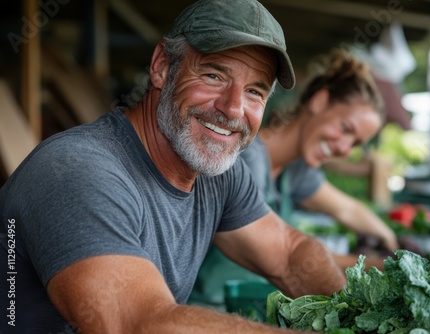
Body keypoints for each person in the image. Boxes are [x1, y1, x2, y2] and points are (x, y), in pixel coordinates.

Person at [0, 1, 347, 333]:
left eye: (255, 91)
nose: (233, 108)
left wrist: (354, 313)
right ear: (162, 66)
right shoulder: (77, 171)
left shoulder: (218, 173)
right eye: (213, 75)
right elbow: (137, 324)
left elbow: (289, 253)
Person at [241, 49, 400, 264]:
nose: (345, 149)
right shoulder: (248, 159)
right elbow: (280, 255)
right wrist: (377, 265)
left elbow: (348, 209)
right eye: (345, 128)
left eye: (355, 143)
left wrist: (389, 238)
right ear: (320, 101)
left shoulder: (295, 171)